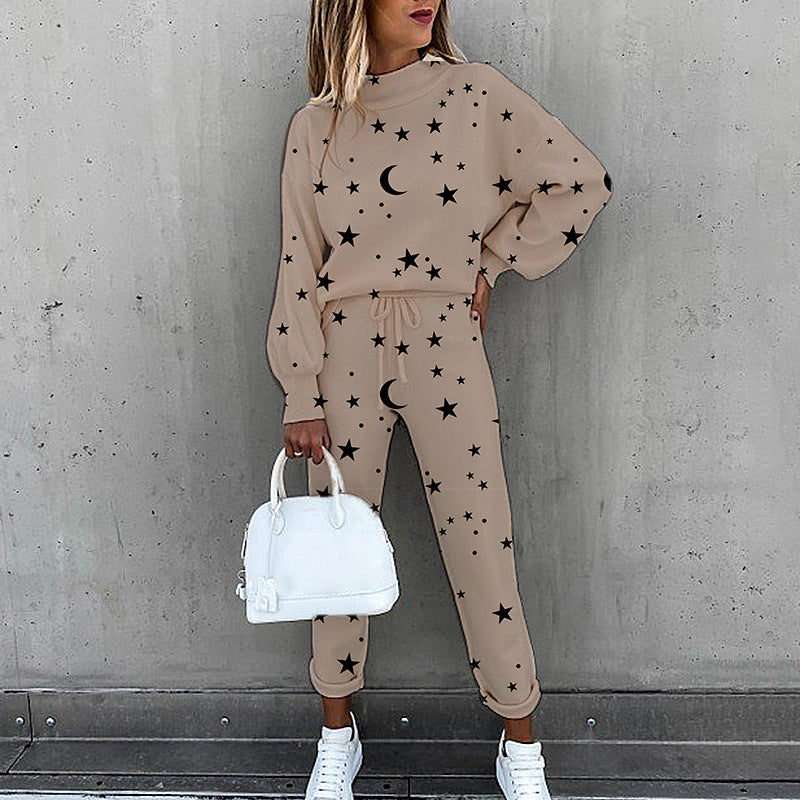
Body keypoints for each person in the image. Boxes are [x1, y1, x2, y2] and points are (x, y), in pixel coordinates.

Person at [265, 2, 613, 798]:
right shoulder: (315, 126)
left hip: (444, 340)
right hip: (342, 348)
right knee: (335, 550)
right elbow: (296, 261)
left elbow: (580, 182)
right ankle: (337, 737)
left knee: (483, 542)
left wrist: (492, 261)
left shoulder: (475, 94)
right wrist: (299, 387)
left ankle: (520, 744)